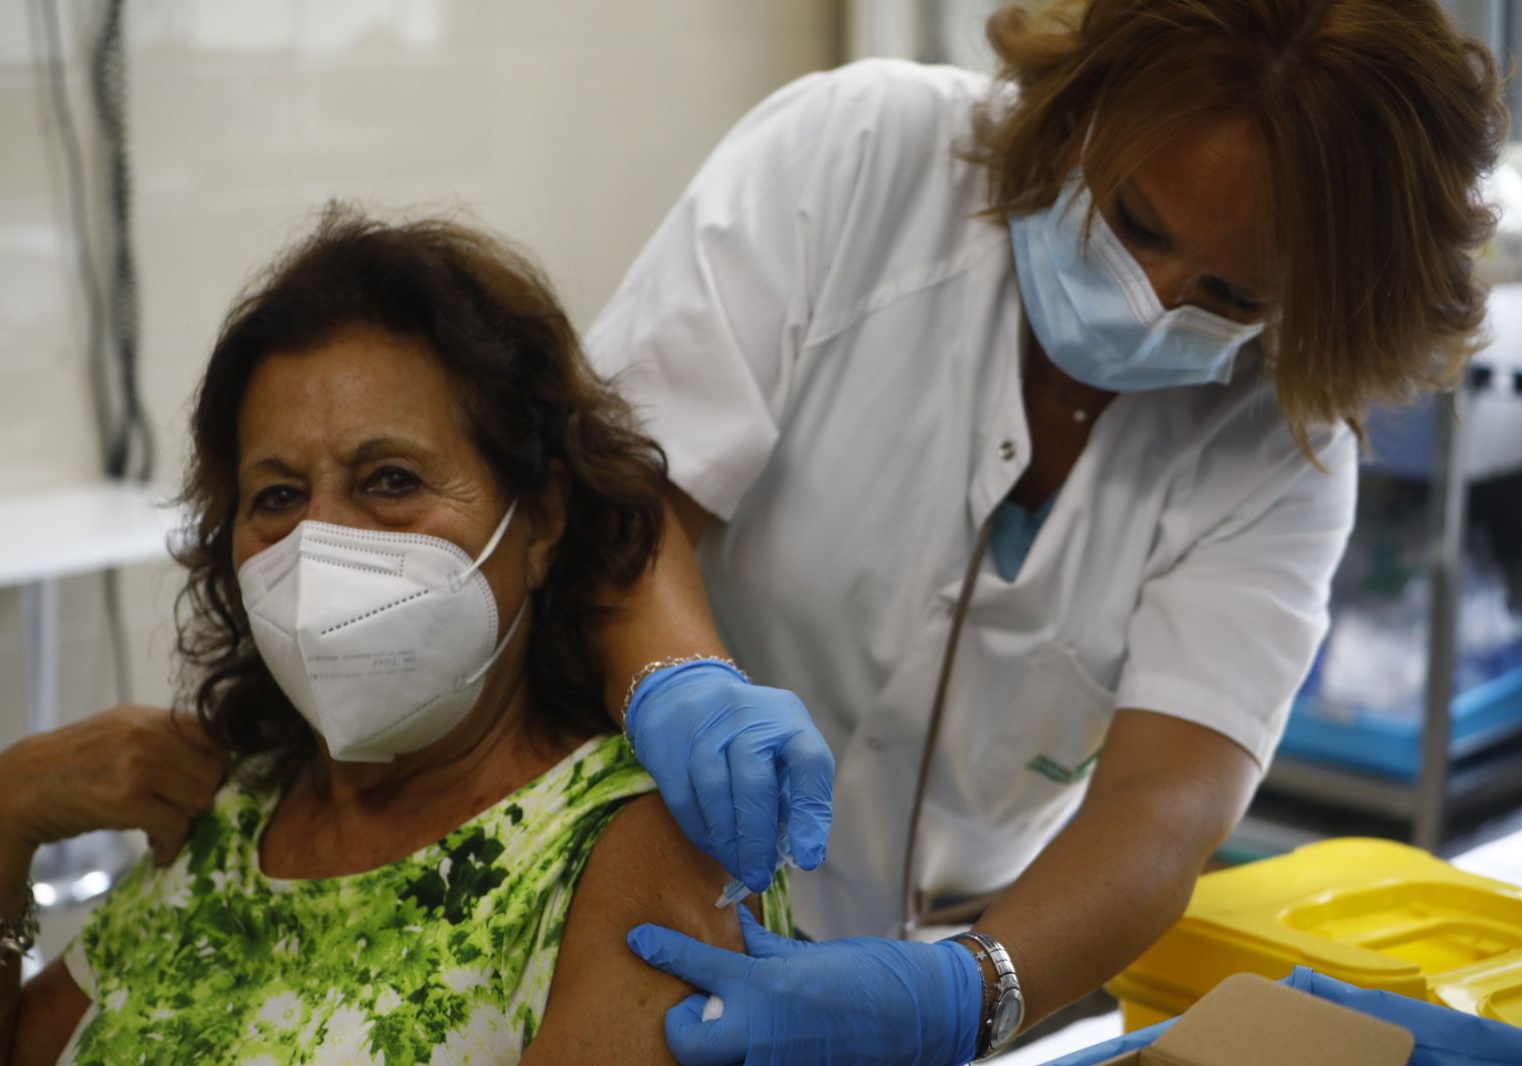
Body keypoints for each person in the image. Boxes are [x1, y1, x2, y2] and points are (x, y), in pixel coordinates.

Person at [585, 1, 1509, 1063]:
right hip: (651, 868)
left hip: (946, 935)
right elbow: (624, 499)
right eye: (1136, 222)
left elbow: (1167, 798)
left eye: (1230, 293)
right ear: (1077, 111)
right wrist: (681, 681)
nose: (1154, 304)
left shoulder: (1281, 444)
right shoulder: (859, 156)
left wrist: (963, 993)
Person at [0, 209, 791, 1065]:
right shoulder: (229, 815)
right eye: (278, 497)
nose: (320, 545)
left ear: (541, 520)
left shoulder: (640, 845)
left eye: (390, 480)